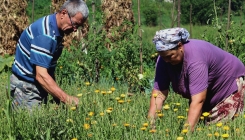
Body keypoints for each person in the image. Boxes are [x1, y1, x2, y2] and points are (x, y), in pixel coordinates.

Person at [147, 27, 245, 131]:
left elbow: (198, 100)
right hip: (208, 90)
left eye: (170, 56)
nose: (166, 60)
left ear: (180, 46)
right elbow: (159, 93)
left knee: (219, 130)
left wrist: (186, 134)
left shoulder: (195, 60)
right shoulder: (164, 60)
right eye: (163, 57)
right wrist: (151, 123)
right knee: (201, 128)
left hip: (228, 84)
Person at [10, 0, 89, 110]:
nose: (75, 29)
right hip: (26, 87)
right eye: (75, 24)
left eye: (78, 26)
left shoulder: (56, 29)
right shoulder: (45, 34)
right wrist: (66, 99)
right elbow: (41, 75)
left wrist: (57, 98)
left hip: (37, 85)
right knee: (32, 126)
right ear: (63, 13)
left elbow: (47, 67)